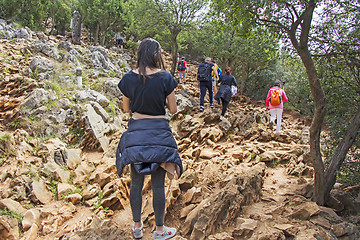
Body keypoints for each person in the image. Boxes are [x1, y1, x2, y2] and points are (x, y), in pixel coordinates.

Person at [117, 38, 182, 240]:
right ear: (156, 54)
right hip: (159, 134)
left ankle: (137, 228)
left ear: (140, 53)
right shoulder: (166, 78)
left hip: (137, 132)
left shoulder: (128, 77)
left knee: (135, 182)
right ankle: (160, 232)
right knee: (158, 185)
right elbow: (173, 109)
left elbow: (126, 108)